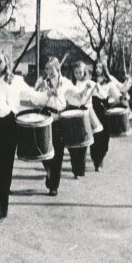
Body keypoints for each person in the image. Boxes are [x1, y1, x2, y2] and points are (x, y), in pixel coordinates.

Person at [0, 50, 45, 223]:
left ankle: (1, 209)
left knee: (5, 167)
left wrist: (48, 95)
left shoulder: (16, 81)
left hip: (9, 124)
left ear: (7, 64)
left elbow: (34, 96)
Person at [36, 57, 94, 195]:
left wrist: (86, 89)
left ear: (58, 68)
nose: (48, 71)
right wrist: (40, 90)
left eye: (50, 68)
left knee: (58, 153)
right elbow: (35, 101)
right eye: (46, 68)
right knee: (43, 151)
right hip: (46, 116)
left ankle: (54, 186)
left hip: (60, 118)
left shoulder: (66, 82)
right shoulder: (42, 82)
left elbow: (78, 97)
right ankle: (48, 169)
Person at [89, 58, 132, 171]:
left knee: (104, 139)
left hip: (104, 112)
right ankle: (96, 162)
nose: (97, 69)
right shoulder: (90, 80)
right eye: (96, 67)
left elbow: (119, 92)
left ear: (103, 68)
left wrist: (127, 84)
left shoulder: (108, 81)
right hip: (93, 110)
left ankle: (101, 156)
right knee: (94, 137)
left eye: (100, 67)